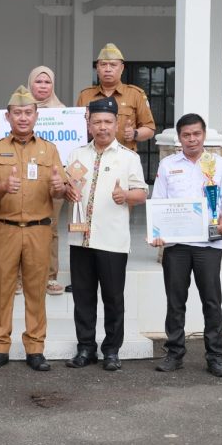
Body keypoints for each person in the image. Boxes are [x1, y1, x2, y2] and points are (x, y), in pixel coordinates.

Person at [0, 86, 67, 373]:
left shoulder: (49, 149)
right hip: (4, 229)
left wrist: (59, 187)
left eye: (28, 112)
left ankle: (35, 348)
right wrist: (4, 187)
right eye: (17, 113)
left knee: (36, 290)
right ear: (7, 117)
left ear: (36, 115)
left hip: (38, 230)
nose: (23, 117)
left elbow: (60, 188)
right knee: (2, 291)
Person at [150, 113, 222, 378]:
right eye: (186, 135)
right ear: (179, 138)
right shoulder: (168, 165)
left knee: (211, 302)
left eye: (196, 134)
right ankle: (174, 354)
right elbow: (159, 201)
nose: (192, 139)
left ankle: (216, 357)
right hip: (176, 245)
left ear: (204, 135)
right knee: (175, 301)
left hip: (208, 245)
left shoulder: (218, 165)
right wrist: (157, 232)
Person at [64, 97, 148, 372]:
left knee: (113, 299)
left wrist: (126, 196)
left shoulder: (129, 157)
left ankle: (111, 350)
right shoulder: (77, 154)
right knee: (83, 298)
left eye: (108, 122)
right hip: (80, 239)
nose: (102, 127)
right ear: (89, 125)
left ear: (116, 124)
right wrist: (65, 189)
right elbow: (66, 186)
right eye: (97, 122)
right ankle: (85, 348)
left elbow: (142, 193)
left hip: (112, 241)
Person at [28, 65, 67, 296]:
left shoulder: (63, 113)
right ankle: (20, 277)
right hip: (24, 180)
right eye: (38, 81)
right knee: (22, 228)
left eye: (47, 82)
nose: (43, 86)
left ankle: (50, 277)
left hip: (53, 180)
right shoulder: (21, 108)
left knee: (50, 228)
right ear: (30, 83)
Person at [76, 43, 156, 152]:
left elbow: (149, 129)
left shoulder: (135, 94)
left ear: (122, 68)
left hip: (124, 156)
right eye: (103, 65)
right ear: (97, 68)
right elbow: (77, 131)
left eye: (113, 65)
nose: (108, 69)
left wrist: (134, 133)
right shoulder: (85, 95)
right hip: (92, 155)